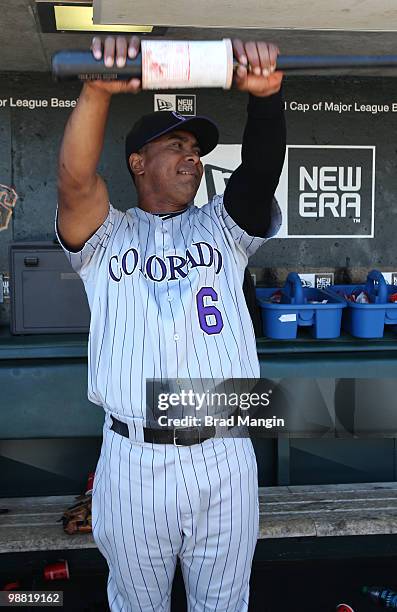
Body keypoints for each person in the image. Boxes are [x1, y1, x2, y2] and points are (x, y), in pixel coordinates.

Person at [56, 35, 285, 612]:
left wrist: (266, 98)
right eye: (177, 144)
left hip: (224, 454)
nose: (193, 156)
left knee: (225, 606)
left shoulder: (223, 231)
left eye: (197, 148)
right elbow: (75, 184)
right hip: (134, 460)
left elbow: (258, 174)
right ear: (137, 162)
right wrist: (96, 92)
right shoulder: (106, 236)